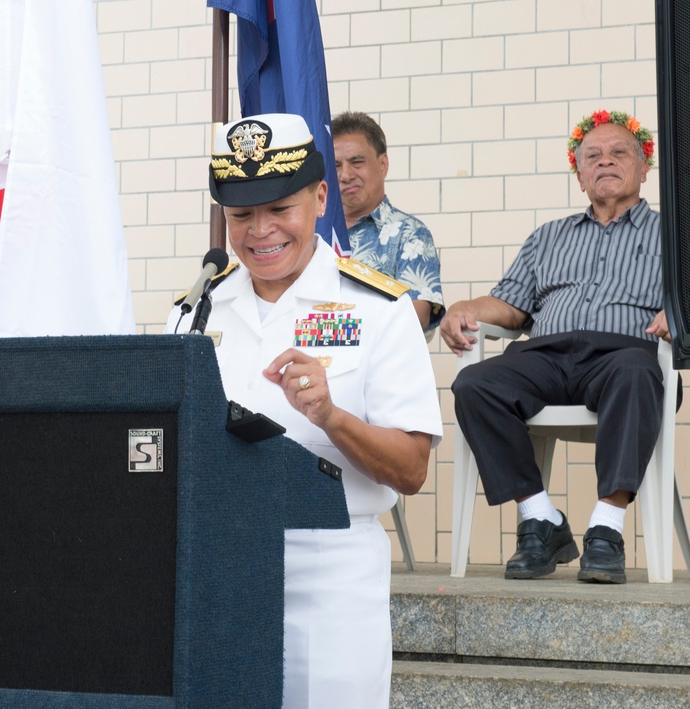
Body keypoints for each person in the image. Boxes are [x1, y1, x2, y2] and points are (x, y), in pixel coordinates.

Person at [169, 113, 442, 708]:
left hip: (329, 578)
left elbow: (412, 470)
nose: (260, 231)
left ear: (320, 198)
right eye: (241, 215)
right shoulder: (196, 313)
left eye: (279, 209)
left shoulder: (377, 308)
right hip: (217, 576)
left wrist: (332, 417)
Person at [441, 110, 669, 585]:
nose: (605, 161)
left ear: (644, 167)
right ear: (581, 175)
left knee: (635, 370)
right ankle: (539, 516)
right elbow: (509, 306)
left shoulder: (673, 235)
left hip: (625, 356)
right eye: (593, 156)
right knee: (475, 383)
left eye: (618, 152)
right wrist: (466, 306)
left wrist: (682, 314)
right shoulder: (548, 237)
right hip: (544, 356)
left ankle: (606, 530)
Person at [331, 110, 445, 333]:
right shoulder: (313, 234)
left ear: (383, 165)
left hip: (378, 363)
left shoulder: (410, 234)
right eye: (336, 165)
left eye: (357, 162)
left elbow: (415, 317)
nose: (345, 175)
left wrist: (336, 330)